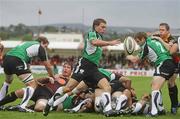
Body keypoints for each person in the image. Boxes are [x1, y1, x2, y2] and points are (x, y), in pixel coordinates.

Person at [43, 18, 120, 117]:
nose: (104, 29)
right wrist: (110, 43)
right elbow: (94, 42)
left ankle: (108, 110)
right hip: (84, 65)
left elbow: (96, 46)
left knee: (107, 87)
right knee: (68, 88)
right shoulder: (92, 33)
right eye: (102, 27)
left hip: (93, 69)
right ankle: (49, 103)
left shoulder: (100, 36)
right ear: (96, 26)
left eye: (105, 27)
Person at [127, 32, 176, 116]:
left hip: (163, 63)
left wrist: (128, 56)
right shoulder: (153, 40)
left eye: (138, 41)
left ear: (143, 39)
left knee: (155, 88)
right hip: (169, 62)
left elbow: (135, 60)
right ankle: (160, 109)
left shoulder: (146, 45)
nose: (138, 44)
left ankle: (154, 112)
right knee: (154, 84)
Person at [0, 36, 54, 112]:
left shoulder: (28, 44)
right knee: (32, 84)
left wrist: (33, 79)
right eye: (46, 46)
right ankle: (23, 106)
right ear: (42, 42)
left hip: (7, 58)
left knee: (8, 81)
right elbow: (48, 66)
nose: (46, 48)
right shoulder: (40, 47)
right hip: (17, 59)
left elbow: (27, 68)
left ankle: (0, 103)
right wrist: (52, 76)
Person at [0, 62, 72, 112]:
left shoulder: (71, 82)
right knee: (19, 92)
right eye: (64, 67)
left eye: (68, 67)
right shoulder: (55, 76)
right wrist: (47, 78)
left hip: (47, 95)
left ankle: (24, 107)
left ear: (71, 71)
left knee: (39, 108)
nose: (65, 69)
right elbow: (35, 81)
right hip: (38, 89)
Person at [152, 23, 179, 114]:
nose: (160, 32)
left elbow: (171, 51)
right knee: (156, 84)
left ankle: (174, 105)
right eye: (160, 30)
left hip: (174, 63)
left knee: (170, 83)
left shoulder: (172, 40)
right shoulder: (158, 36)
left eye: (163, 30)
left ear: (168, 31)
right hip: (163, 63)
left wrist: (160, 40)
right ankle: (160, 107)